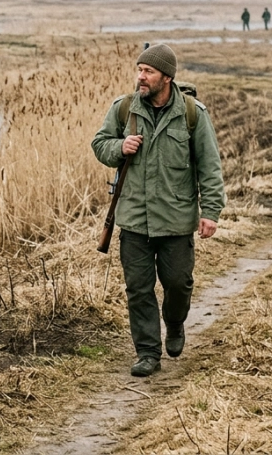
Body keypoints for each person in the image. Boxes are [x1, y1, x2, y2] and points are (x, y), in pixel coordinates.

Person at [91, 44, 226, 377]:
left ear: (167, 77)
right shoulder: (124, 109)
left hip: (176, 220)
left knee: (178, 284)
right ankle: (148, 352)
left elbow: (210, 166)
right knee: (138, 289)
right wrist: (119, 146)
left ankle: (175, 323)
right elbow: (100, 144)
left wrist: (210, 212)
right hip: (134, 219)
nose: (141, 76)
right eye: (139, 70)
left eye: (148, 71)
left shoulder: (193, 113)